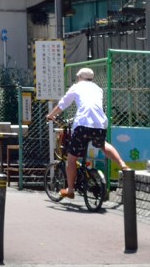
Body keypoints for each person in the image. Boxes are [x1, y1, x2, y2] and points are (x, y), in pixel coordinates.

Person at [48, 66, 128, 198]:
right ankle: (123, 165)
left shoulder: (76, 87)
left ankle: (70, 190)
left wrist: (51, 115)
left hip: (83, 124)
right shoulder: (98, 89)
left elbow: (63, 104)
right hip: (100, 124)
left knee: (72, 158)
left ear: (79, 77)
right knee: (102, 145)